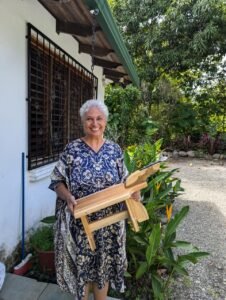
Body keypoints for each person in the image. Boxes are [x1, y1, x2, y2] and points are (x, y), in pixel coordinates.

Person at [49, 99, 140, 300]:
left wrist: (135, 192)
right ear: (83, 122)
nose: (94, 123)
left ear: (105, 121)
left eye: (99, 118)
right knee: (82, 271)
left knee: (103, 270)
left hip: (110, 225)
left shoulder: (114, 150)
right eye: (89, 119)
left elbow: (126, 181)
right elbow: (57, 181)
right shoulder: (72, 150)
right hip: (80, 224)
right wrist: (68, 197)